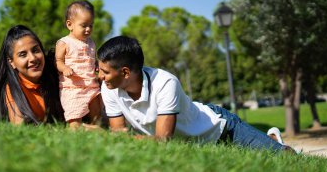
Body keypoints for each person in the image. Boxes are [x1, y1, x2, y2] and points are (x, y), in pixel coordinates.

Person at [97, 35, 295, 153]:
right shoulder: (109, 88)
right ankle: (271, 139)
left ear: (125, 72)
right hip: (193, 145)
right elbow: (118, 135)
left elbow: (162, 140)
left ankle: (276, 143)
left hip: (220, 129)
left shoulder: (165, 82)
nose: (100, 77)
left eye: (104, 72)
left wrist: (122, 138)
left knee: (283, 158)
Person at [0, 25, 64, 124]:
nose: (33, 58)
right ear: (11, 62)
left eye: (35, 50)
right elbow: (20, 128)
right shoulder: (12, 89)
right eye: (23, 55)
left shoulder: (58, 73)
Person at [55, 0, 102, 129]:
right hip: (73, 88)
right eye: (84, 25)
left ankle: (93, 127)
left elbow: (92, 59)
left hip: (91, 86)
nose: (88, 29)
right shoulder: (64, 42)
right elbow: (58, 61)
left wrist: (97, 65)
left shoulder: (91, 43)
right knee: (74, 119)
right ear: (70, 25)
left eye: (91, 25)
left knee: (97, 116)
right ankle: (81, 128)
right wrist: (64, 68)